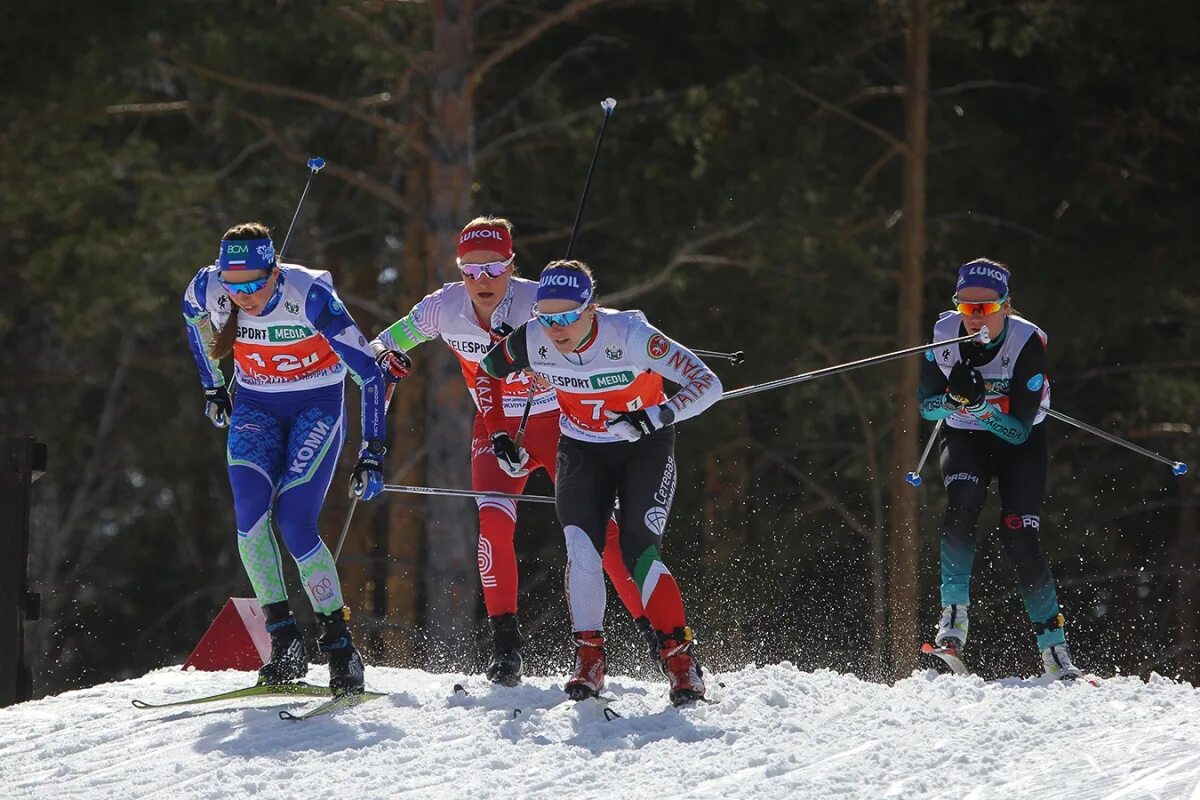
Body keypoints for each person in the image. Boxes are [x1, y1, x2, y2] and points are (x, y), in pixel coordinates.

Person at [370, 217, 653, 687]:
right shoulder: (444, 306)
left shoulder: (540, 300)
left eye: (495, 268)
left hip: (557, 420)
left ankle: (656, 636)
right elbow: (386, 340)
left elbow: (596, 333)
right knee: (494, 526)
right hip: (493, 425)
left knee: (598, 532)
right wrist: (386, 357)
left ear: (512, 265)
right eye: (471, 269)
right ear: (459, 269)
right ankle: (506, 648)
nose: (483, 281)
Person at [476, 259, 723, 705]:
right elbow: (486, 372)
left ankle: (681, 664)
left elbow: (708, 383)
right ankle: (590, 660)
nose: (557, 328)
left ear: (591, 307)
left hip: (642, 448)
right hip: (580, 448)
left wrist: (653, 416)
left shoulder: (629, 335)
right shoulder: (533, 339)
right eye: (547, 317)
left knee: (638, 549)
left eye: (568, 316)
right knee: (581, 547)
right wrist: (497, 433)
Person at [182, 221, 389, 695]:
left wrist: (372, 452)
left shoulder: (310, 294)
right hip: (256, 406)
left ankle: (339, 646)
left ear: (274, 272)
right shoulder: (207, 287)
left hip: (315, 405)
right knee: (250, 518)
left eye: (255, 284)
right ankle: (284, 641)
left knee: (296, 522)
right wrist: (213, 385)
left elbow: (370, 376)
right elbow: (192, 320)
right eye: (235, 287)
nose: (245, 297)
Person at [918, 258, 1082, 680]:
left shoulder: (1027, 342)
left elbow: (1018, 431)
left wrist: (980, 406)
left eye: (986, 309)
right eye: (966, 308)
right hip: (964, 438)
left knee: (1020, 537)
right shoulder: (943, 335)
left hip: (1018, 443)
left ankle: (1054, 651)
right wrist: (954, 403)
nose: (975, 319)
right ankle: (953, 618)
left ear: (1006, 307)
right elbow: (926, 406)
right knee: (963, 500)